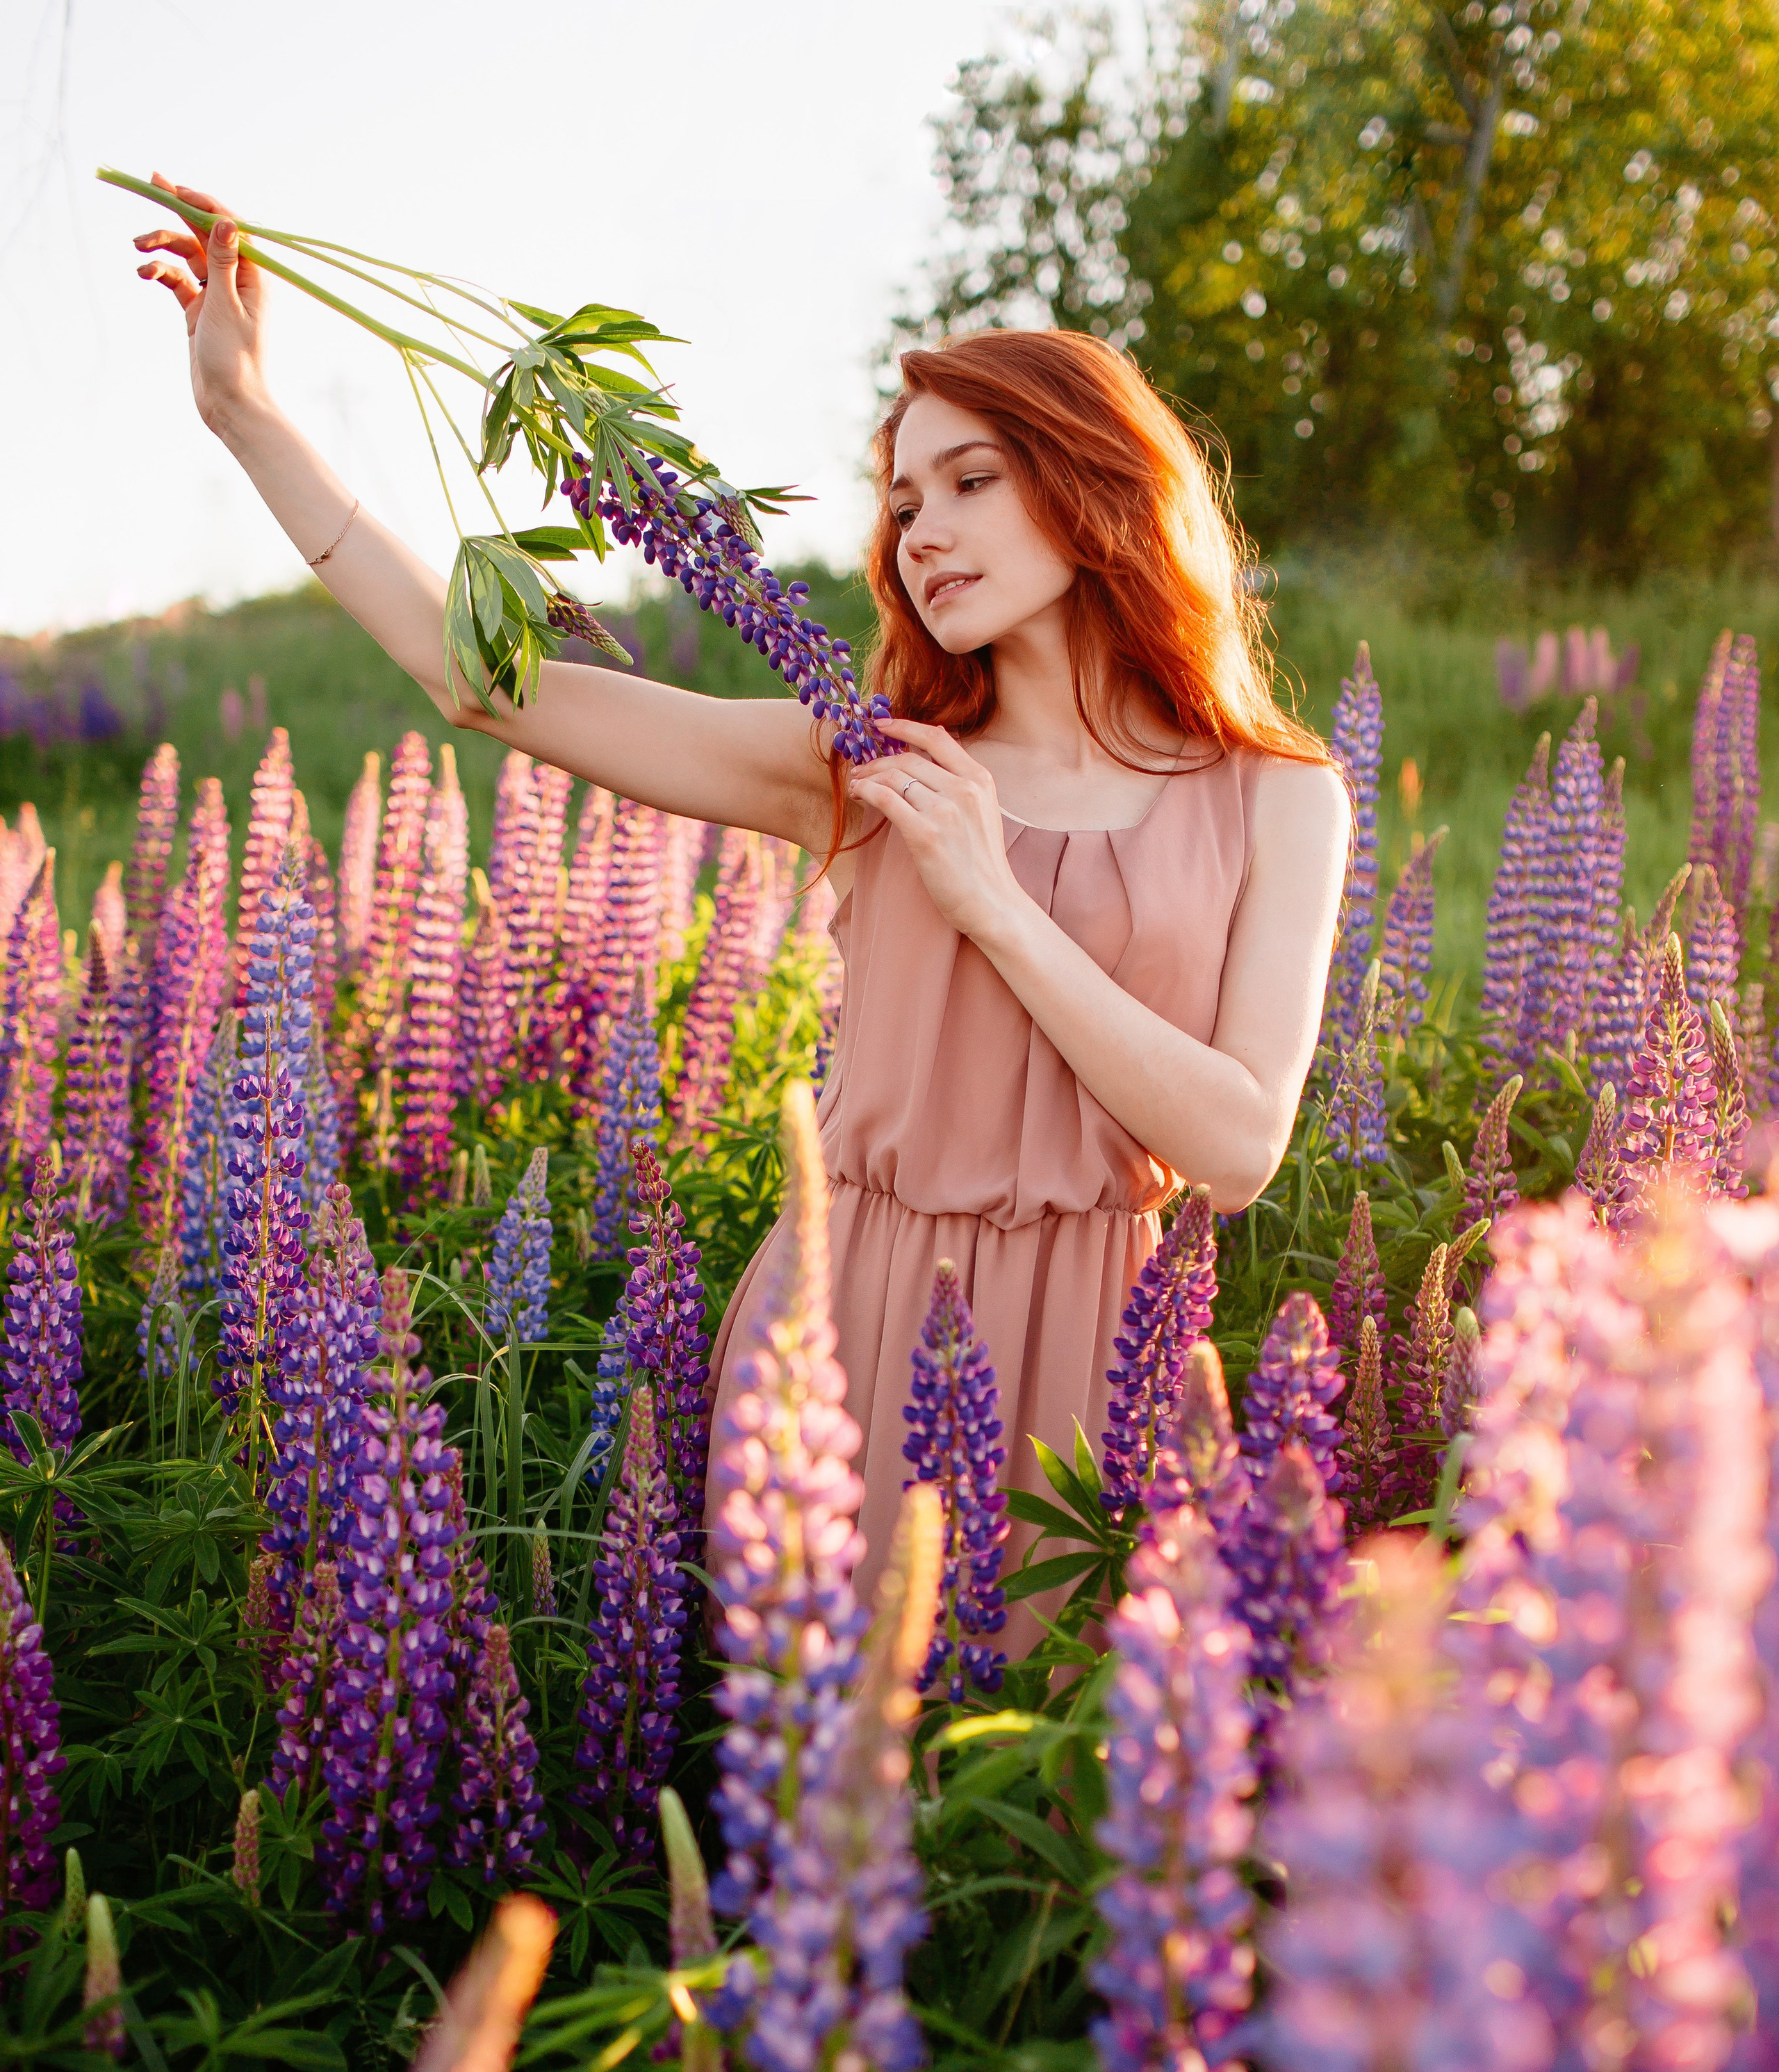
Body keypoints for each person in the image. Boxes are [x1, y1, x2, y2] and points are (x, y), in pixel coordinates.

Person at [133, 181, 1349, 1644]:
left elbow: (1232, 1148)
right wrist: (249, 417)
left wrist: (993, 903)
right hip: (846, 1328)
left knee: (1058, 1842)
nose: (920, 534)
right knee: (817, 1808)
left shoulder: (1273, 797)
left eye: (969, 481)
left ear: (1091, 483)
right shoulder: (863, 763)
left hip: (1103, 1365)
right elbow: (482, 686)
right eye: (901, 503)